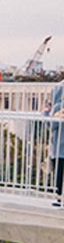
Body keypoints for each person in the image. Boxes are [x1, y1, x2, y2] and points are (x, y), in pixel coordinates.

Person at [46, 76, 64, 206]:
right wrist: (57, 116)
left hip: (59, 146)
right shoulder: (58, 106)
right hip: (60, 146)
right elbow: (51, 125)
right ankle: (59, 196)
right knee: (60, 170)